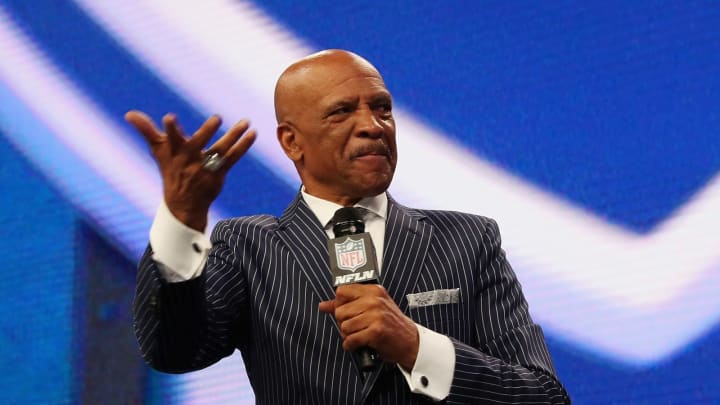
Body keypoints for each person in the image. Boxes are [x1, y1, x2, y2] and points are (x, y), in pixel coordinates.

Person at [129, 49, 570, 404]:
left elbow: (543, 397)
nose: (373, 126)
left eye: (382, 108)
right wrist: (182, 220)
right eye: (342, 112)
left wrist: (418, 348)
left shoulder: (468, 241)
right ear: (292, 141)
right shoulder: (247, 247)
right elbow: (174, 351)